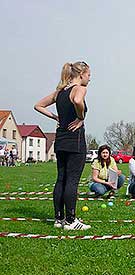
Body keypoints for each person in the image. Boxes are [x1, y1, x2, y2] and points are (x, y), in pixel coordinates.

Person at [35, 61, 91, 230]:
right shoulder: (79, 88)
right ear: (81, 75)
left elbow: (38, 106)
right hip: (75, 139)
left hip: (60, 139)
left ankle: (58, 219)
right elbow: (77, 100)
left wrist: (55, 117)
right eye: (89, 75)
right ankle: (71, 221)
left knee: (61, 178)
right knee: (72, 180)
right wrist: (81, 117)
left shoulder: (59, 91)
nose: (89, 79)